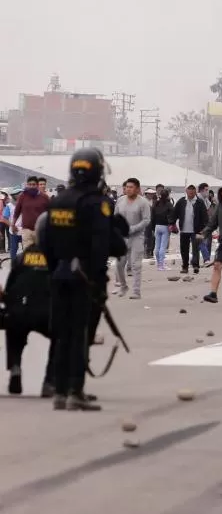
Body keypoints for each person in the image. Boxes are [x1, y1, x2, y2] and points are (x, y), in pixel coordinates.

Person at [42, 148, 113, 411]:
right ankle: (75, 391)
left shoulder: (58, 200)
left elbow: (45, 241)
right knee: (79, 334)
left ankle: (59, 391)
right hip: (83, 276)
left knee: (61, 334)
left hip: (58, 273)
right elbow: (100, 246)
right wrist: (95, 280)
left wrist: (53, 271)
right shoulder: (96, 203)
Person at [1, 217, 56, 396]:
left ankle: (15, 367)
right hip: (46, 313)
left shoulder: (21, 258)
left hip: (18, 310)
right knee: (63, 336)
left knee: (14, 331)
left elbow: (9, 289)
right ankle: (50, 380)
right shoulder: (58, 258)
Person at [113, 178, 151, 299]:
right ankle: (123, 286)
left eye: (131, 187)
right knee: (119, 264)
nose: (128, 189)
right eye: (127, 187)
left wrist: (133, 228)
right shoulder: (120, 201)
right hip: (122, 237)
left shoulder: (143, 202)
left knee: (136, 265)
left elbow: (146, 220)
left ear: (138, 189)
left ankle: (136, 291)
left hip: (137, 237)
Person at [172, 184, 206, 275]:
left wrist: (204, 229)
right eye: (189, 191)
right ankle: (185, 266)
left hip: (196, 230)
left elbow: (204, 217)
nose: (190, 193)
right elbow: (174, 213)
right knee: (184, 249)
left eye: (192, 192)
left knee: (195, 249)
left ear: (195, 192)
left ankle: (195, 266)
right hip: (184, 230)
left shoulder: (199, 202)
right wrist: (172, 224)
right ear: (186, 191)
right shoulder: (181, 202)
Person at [12, 175, 49, 249]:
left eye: (34, 184)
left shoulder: (44, 197)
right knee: (27, 254)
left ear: (37, 185)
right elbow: (17, 211)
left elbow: (49, 213)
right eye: (30, 184)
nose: (31, 186)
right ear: (27, 185)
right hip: (26, 230)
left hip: (40, 231)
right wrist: (13, 224)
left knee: (41, 252)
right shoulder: (23, 196)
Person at [150, 188, 174, 271]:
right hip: (165, 227)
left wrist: (152, 228)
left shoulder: (156, 203)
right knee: (163, 246)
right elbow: (172, 215)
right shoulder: (169, 204)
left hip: (157, 226)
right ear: (167, 195)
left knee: (157, 246)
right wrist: (172, 224)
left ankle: (159, 264)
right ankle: (161, 265)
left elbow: (152, 216)